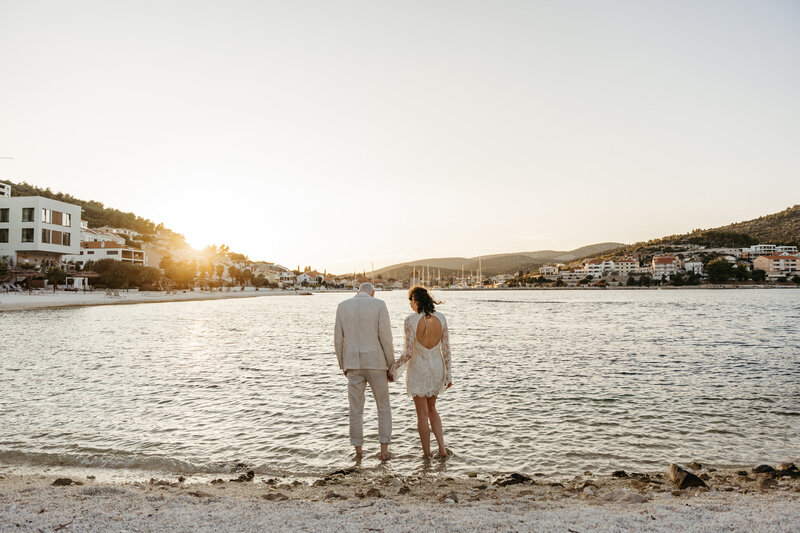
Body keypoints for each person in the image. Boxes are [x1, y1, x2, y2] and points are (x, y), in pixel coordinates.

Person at [334, 282, 395, 460]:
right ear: (373, 293)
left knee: (355, 409)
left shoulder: (343, 306)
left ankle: (358, 452)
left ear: (357, 291)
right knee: (383, 407)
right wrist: (391, 365)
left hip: (353, 363)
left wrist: (342, 363)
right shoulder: (379, 305)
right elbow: (386, 337)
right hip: (376, 362)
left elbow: (338, 339)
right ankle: (384, 450)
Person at [389, 286, 452, 457]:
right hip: (437, 367)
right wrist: (449, 374)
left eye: (410, 301)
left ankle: (426, 454)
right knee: (432, 409)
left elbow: (409, 352)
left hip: (419, 368)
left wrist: (393, 368)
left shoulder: (410, 320)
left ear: (415, 300)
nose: (409, 304)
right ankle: (442, 449)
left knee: (422, 414)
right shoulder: (442, 318)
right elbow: (446, 349)